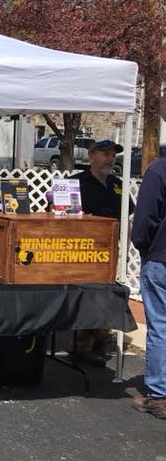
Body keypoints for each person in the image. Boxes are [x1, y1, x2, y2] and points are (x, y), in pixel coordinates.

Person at [71, 138, 134, 365]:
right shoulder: (76, 183)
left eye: (112, 154)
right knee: (87, 297)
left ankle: (100, 340)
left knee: (107, 297)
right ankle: (83, 345)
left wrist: (125, 251)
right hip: (83, 251)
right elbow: (60, 215)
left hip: (109, 252)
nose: (110, 158)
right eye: (105, 154)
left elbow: (125, 220)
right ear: (91, 156)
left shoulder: (118, 185)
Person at [130, 153, 166, 419]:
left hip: (161, 258)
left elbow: (143, 223)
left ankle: (159, 395)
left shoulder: (158, 172)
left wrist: (144, 248)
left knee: (161, 326)